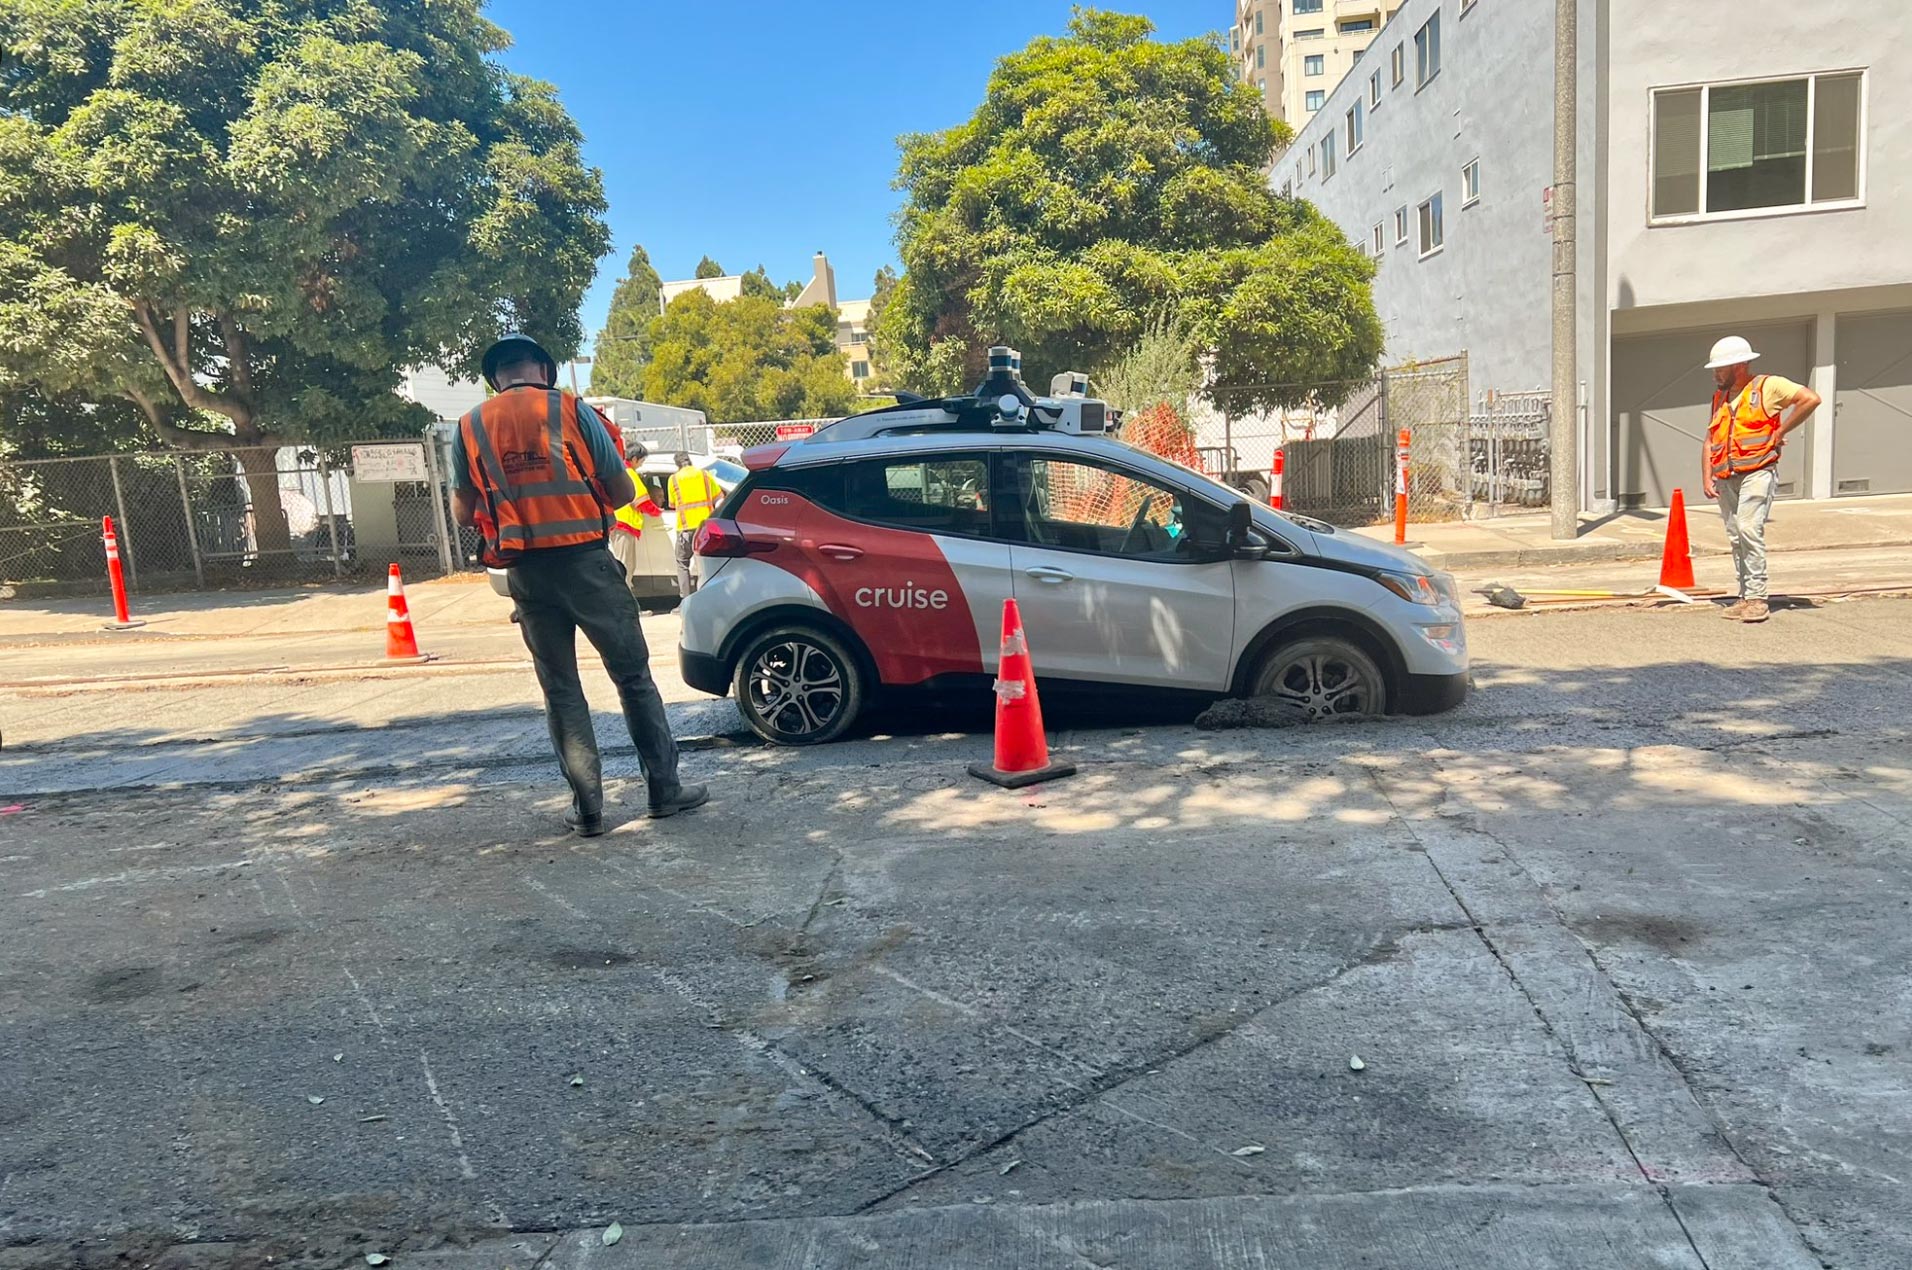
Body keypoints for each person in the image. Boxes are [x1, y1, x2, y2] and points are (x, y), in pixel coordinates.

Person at [451, 332, 708, 833]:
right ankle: (663, 791)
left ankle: (589, 811)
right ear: (543, 370)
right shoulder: (570, 409)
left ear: (494, 378)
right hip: (586, 564)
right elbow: (619, 491)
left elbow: (464, 511)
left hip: (525, 572)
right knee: (633, 679)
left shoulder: (469, 425)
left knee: (562, 691)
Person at [1701, 335, 1822, 623]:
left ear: (1740, 365)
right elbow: (1709, 440)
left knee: (1748, 528)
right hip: (1726, 477)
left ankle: (1757, 598)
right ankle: (1744, 596)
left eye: (1721, 368)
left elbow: (1810, 399)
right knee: (1735, 536)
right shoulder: (1720, 397)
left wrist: (1782, 432)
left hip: (1757, 471)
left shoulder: (1768, 386)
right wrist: (1707, 477)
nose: (1716, 374)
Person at [607, 441, 667, 593]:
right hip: (624, 525)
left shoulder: (621, 471)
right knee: (624, 566)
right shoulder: (630, 473)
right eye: (641, 461)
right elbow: (641, 501)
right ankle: (624, 606)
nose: (641, 464)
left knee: (627, 566)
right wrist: (658, 511)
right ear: (634, 459)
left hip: (622, 525)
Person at [667, 451, 724, 599]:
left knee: (682, 563)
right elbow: (719, 499)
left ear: (677, 465)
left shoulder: (673, 479)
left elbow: (672, 504)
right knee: (703, 565)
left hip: (685, 529)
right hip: (705, 528)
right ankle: (706, 597)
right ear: (689, 461)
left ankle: (686, 599)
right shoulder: (705, 475)